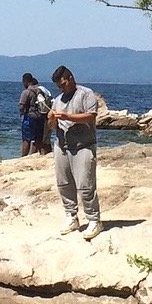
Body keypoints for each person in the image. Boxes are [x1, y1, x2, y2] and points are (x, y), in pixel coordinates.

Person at [48, 65, 103, 240]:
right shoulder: (57, 100)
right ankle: (71, 216)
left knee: (85, 185)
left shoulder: (86, 94)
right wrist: (51, 118)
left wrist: (67, 116)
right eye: (59, 86)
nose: (62, 88)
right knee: (64, 184)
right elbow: (51, 127)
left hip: (83, 145)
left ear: (70, 78)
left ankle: (94, 219)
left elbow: (91, 116)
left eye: (63, 84)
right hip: (62, 146)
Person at [17, 72, 54, 157]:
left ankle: (24, 157)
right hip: (40, 117)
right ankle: (39, 155)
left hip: (30, 118)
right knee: (38, 140)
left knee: (26, 139)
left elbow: (22, 106)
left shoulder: (26, 92)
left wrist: (22, 111)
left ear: (25, 81)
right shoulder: (39, 90)